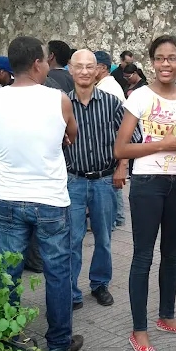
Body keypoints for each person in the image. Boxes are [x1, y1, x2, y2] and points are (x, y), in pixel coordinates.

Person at [0, 35, 82, 351]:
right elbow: (71, 135)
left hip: (8, 196)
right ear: (38, 63)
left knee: (7, 269)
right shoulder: (58, 99)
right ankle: (59, 341)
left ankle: (9, 335)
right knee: (57, 270)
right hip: (50, 199)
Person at [114, 35, 176, 351]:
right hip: (148, 182)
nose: (166, 64)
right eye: (160, 58)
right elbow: (121, 149)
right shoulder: (140, 97)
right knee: (143, 257)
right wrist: (164, 144)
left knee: (173, 254)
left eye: (172, 58)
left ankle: (167, 316)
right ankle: (139, 330)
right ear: (152, 63)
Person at [66, 50, 126, 309]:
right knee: (72, 238)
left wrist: (122, 167)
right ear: (70, 69)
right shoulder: (62, 104)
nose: (84, 71)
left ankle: (100, 284)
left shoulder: (112, 103)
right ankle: (71, 291)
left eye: (89, 66)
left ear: (99, 70)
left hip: (104, 180)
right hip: (73, 180)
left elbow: (129, 137)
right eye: (79, 66)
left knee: (104, 237)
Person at [95, 50, 127, 230]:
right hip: (114, 139)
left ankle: (114, 218)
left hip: (111, 141)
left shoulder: (105, 89)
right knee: (115, 181)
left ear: (102, 68)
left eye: (92, 66)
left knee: (112, 181)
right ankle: (119, 216)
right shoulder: (110, 85)